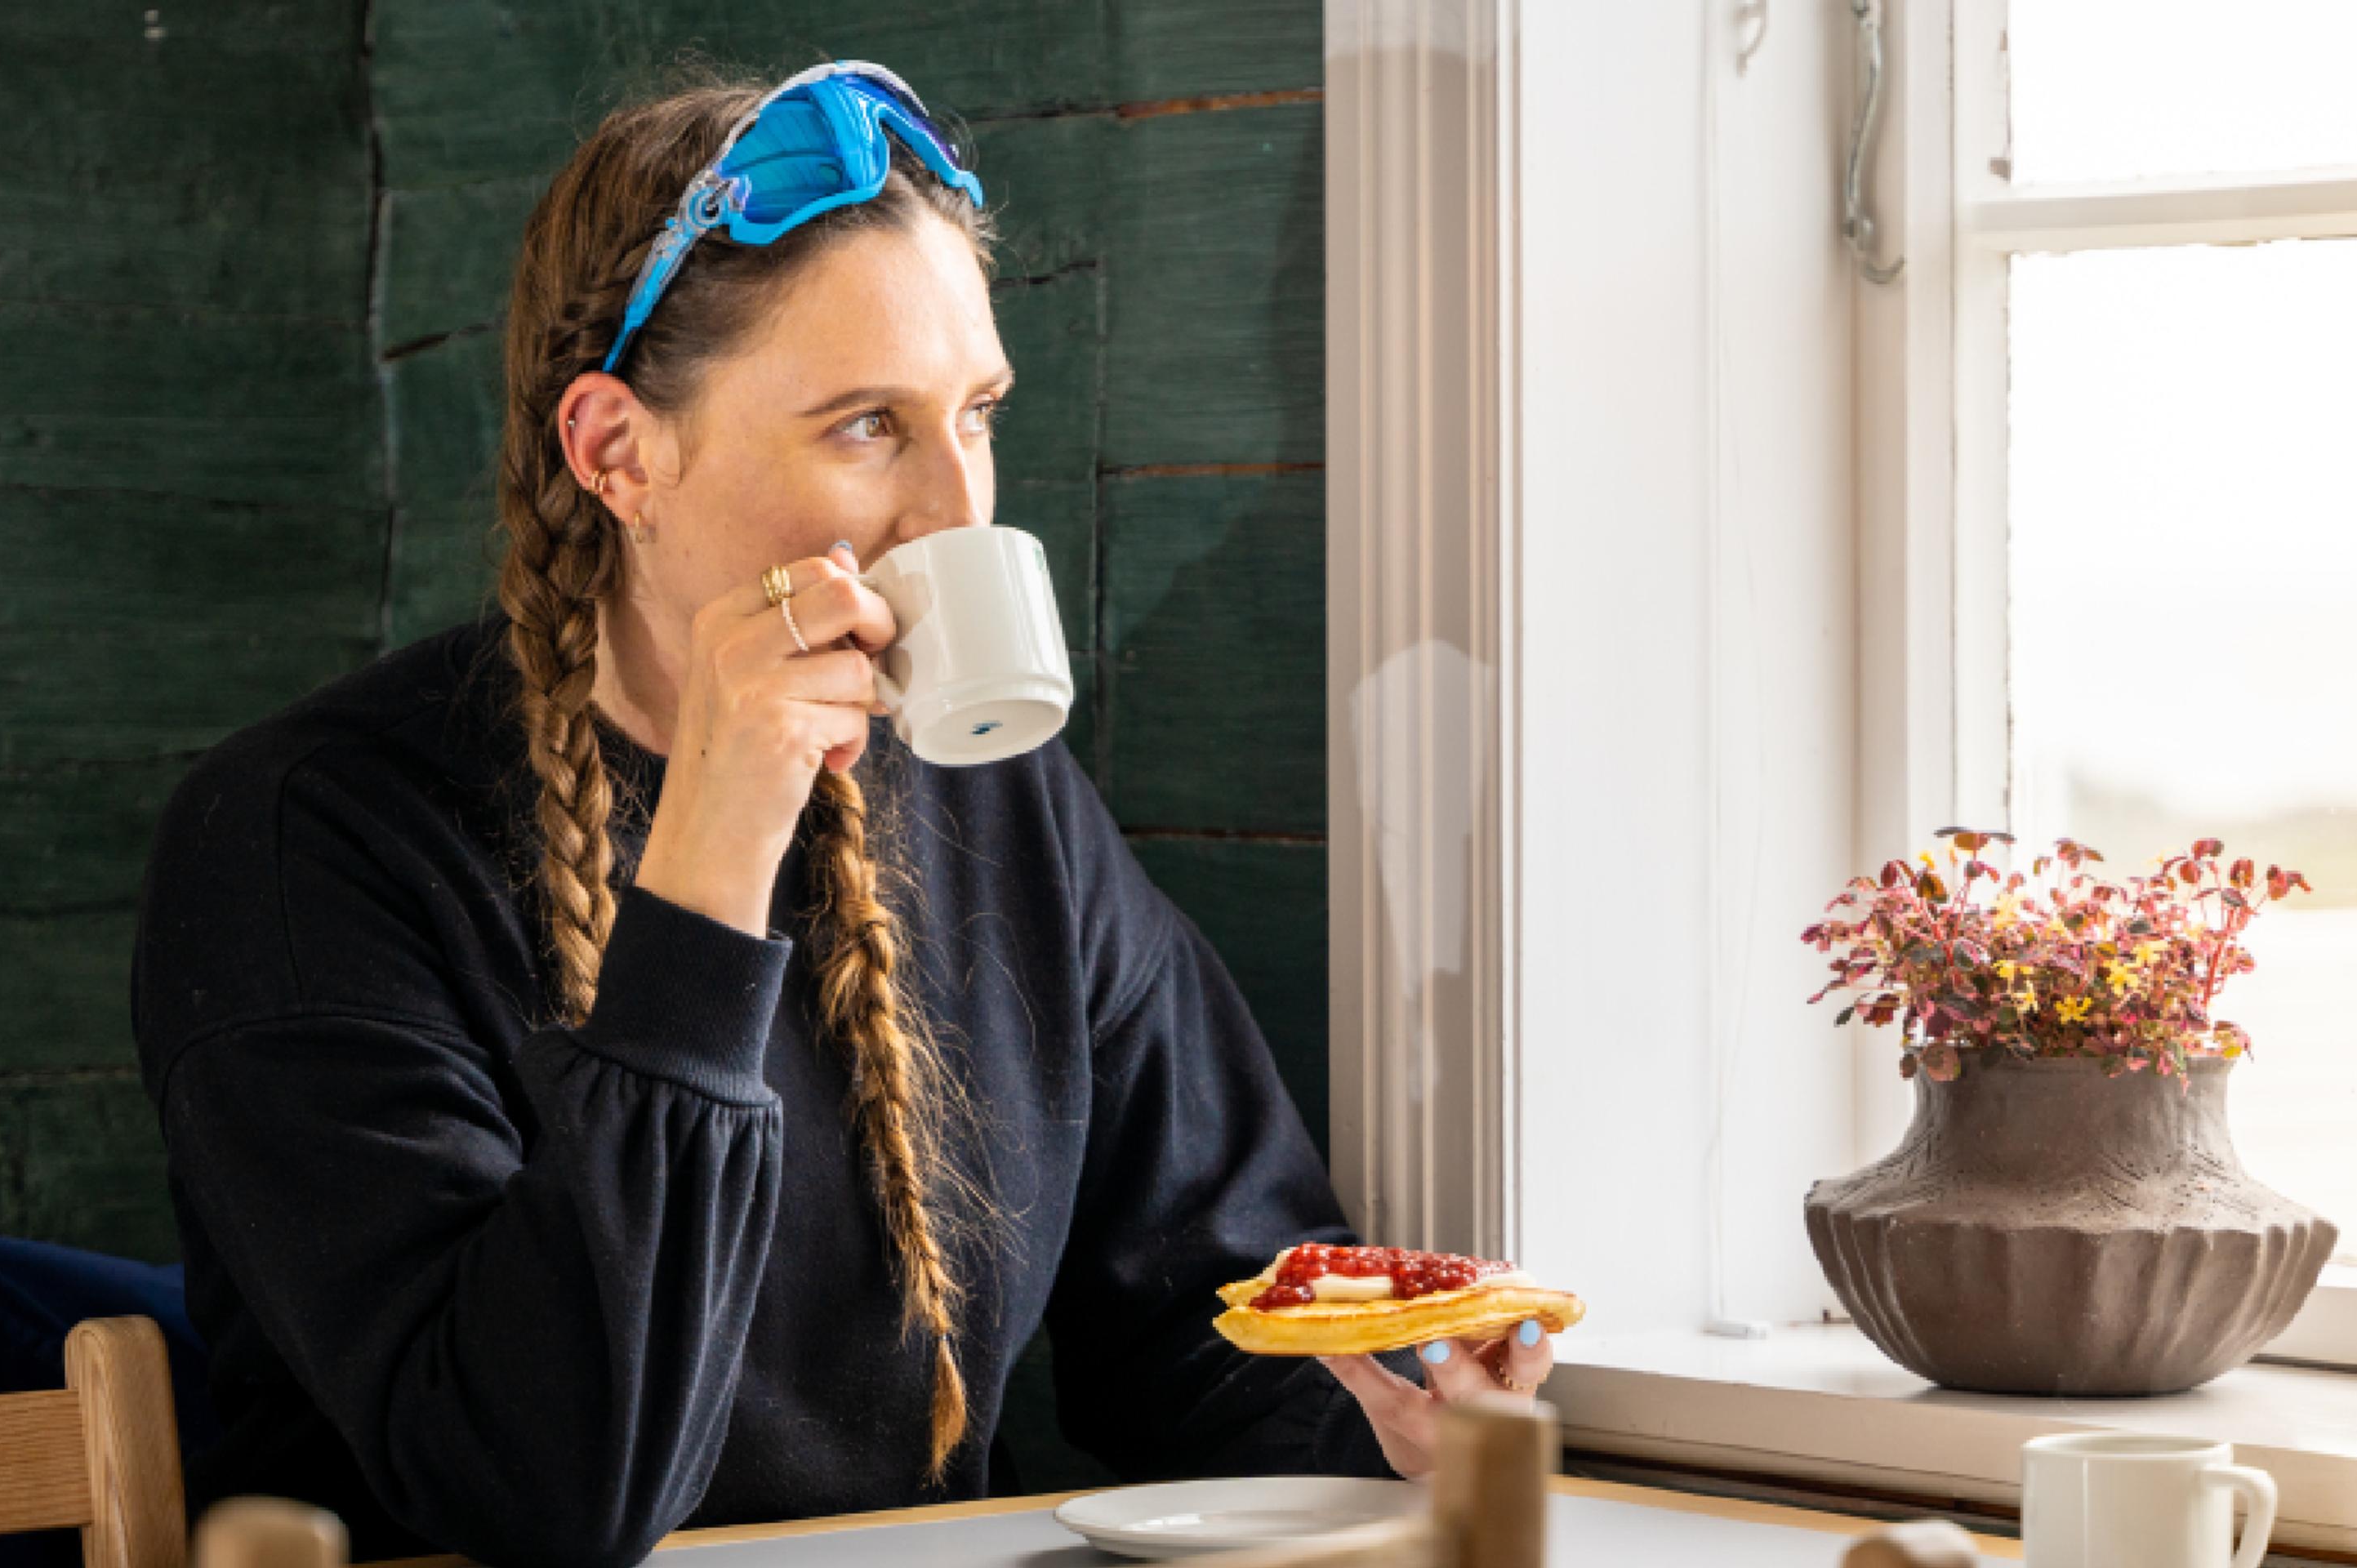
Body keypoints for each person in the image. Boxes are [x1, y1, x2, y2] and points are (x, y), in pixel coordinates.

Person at [129, 60, 1548, 1568]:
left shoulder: (995, 795)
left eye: (976, 414)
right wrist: (711, 864)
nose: (959, 512)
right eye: (868, 425)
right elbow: (542, 1495)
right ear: (618, 453)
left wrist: (1393, 1419)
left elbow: (1207, 1328)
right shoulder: (304, 840)